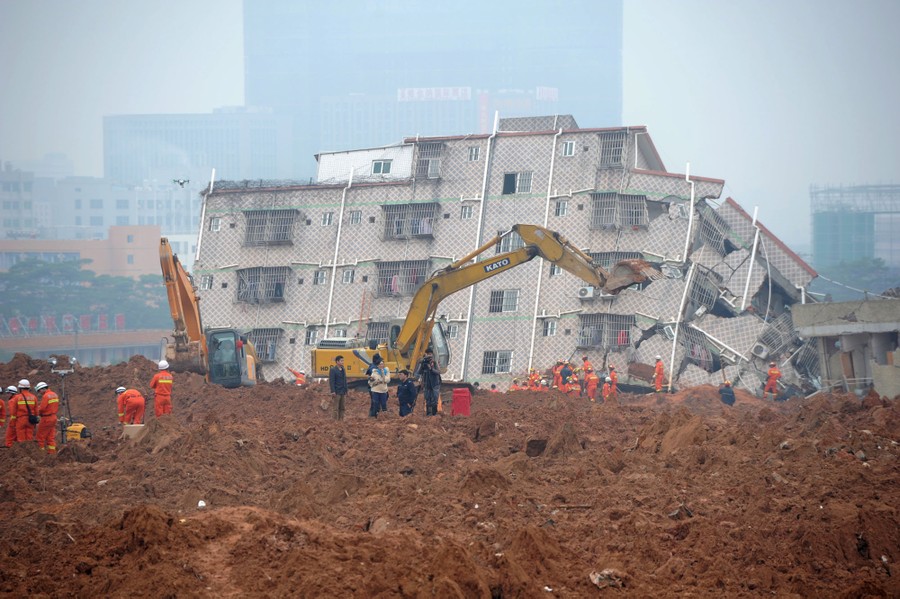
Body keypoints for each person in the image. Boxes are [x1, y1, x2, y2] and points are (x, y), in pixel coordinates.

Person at [415, 348, 442, 416]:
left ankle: (434, 414)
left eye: (430, 354)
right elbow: (418, 373)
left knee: (434, 399)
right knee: (428, 399)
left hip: (435, 383)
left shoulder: (435, 362)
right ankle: (428, 414)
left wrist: (431, 369)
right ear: (425, 354)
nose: (429, 356)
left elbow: (438, 372)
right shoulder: (423, 362)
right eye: (428, 354)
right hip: (426, 383)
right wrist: (422, 364)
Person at [34, 382, 59, 454]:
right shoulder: (54, 394)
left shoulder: (46, 396)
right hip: (53, 417)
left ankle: (41, 453)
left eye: (39, 391)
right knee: (50, 437)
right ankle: (52, 453)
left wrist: (37, 413)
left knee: (40, 437)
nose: (39, 393)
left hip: (46, 418)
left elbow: (42, 408)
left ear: (43, 389)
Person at [328, 355, 348, 421]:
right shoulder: (333, 370)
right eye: (341, 361)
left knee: (342, 407)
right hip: (336, 391)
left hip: (343, 391)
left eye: (343, 360)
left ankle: (341, 420)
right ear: (337, 361)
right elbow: (332, 381)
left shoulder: (343, 369)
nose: (343, 362)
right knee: (335, 408)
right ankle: (335, 422)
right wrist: (333, 391)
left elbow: (345, 380)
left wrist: (346, 390)